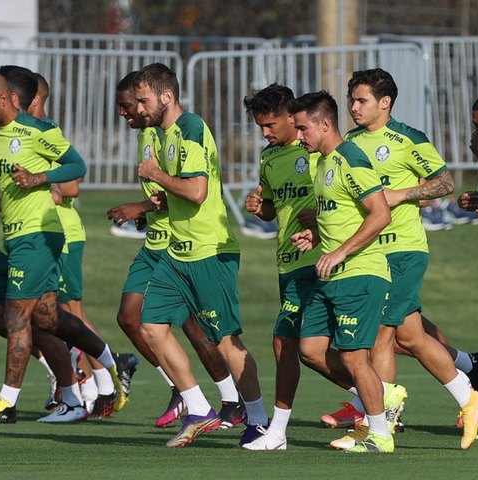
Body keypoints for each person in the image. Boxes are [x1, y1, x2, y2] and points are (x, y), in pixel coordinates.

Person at [330, 68, 478, 450]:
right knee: (411, 335)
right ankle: (470, 389)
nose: (353, 107)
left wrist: (403, 193)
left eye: (361, 100)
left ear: (384, 103)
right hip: (371, 254)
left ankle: (380, 423)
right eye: (351, 99)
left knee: (382, 336)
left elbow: (445, 182)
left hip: (403, 248)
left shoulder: (407, 139)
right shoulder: (348, 143)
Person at [0, 73, 125, 424]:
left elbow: (77, 166)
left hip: (38, 235)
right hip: (12, 237)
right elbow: (6, 171)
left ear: (6, 100)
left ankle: (5, 404)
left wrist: (39, 179)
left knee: (16, 316)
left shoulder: (38, 131)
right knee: (28, 317)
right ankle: (108, 363)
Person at [132, 63, 268, 447]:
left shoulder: (190, 128)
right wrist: (153, 202)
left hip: (209, 252)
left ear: (166, 96)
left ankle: (257, 419)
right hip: (176, 253)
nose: (140, 108)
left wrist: (158, 176)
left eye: (144, 100)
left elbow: (196, 192)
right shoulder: (159, 135)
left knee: (225, 341)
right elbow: (175, 194)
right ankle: (198, 407)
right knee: (151, 327)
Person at [107, 71, 244, 429]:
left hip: (179, 242)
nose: (127, 112)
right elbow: (163, 193)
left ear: (157, 100)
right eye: (127, 105)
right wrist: (147, 208)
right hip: (156, 240)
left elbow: (190, 190)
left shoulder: (178, 129)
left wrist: (146, 207)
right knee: (131, 318)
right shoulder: (149, 135)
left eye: (132, 105)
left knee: (197, 329)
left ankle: (233, 399)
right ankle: (184, 392)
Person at [289, 90, 395, 453]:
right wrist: (316, 234)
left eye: (303, 129)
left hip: (361, 272)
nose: (299, 136)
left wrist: (339, 252)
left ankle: (379, 434)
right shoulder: (321, 163)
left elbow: (380, 213)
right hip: (331, 272)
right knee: (311, 349)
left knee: (353, 356)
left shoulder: (350, 156)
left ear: (324, 124)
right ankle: (381, 394)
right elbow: (343, 215)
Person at [239, 83, 321, 449]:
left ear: (292, 117)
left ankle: (277, 432)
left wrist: (317, 218)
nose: (266, 133)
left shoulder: (319, 152)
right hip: (287, 261)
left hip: (320, 259)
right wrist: (261, 208)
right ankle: (376, 401)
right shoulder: (269, 158)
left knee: (287, 342)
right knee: (298, 345)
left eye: (271, 125)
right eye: (261, 127)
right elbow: (274, 208)